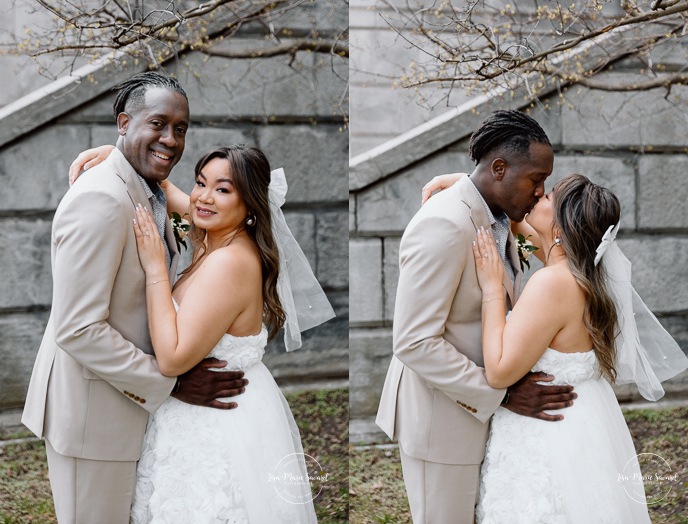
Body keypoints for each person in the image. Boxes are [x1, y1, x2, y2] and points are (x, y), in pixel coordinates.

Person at [21, 72, 249, 523]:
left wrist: (121, 156)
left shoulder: (147, 190)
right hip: (92, 419)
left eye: (180, 129)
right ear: (124, 122)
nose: (171, 139)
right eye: (157, 124)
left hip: (129, 409)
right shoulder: (102, 200)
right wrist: (174, 384)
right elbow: (77, 329)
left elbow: (199, 227)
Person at [71, 144, 334, 521]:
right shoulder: (208, 239)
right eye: (200, 182)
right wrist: (122, 154)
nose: (204, 197)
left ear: (251, 204)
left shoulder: (228, 263)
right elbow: (178, 201)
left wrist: (156, 268)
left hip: (216, 423)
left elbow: (173, 357)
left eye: (223, 189)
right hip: (197, 412)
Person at [425, 172, 688, 521]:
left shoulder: (551, 284)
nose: (538, 197)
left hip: (549, 435)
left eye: (548, 197)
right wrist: (471, 183)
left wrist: (492, 288)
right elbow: (521, 235)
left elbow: (500, 368)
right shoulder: (576, 272)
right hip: (582, 423)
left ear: (562, 228)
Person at [375, 110, 578, 523]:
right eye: (535, 180)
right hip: (441, 423)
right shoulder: (444, 225)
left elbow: (536, 257)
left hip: (477, 417)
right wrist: (502, 393)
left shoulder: (500, 216)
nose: (540, 193)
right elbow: (414, 342)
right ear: (499, 168)